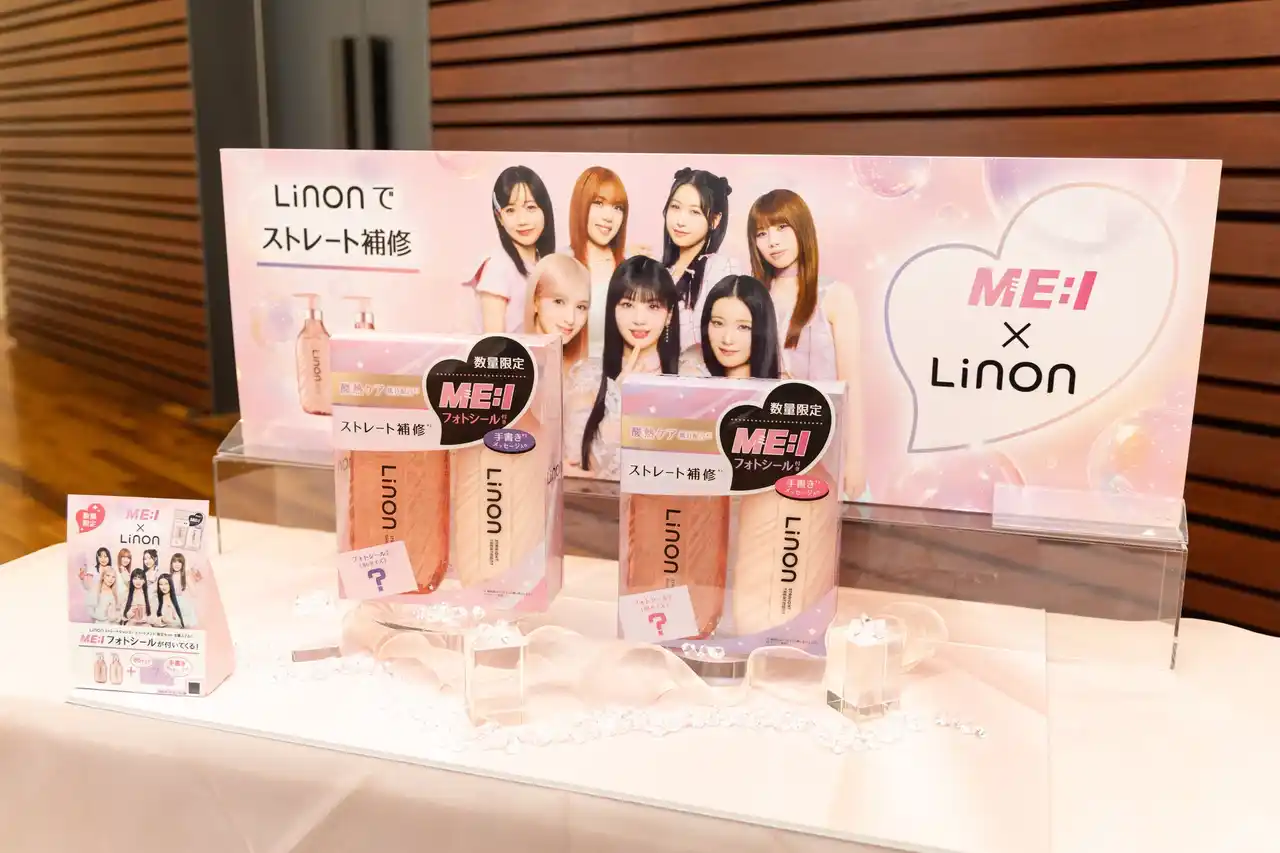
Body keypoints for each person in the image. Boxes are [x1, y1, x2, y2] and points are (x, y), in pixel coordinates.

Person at [747, 189, 866, 496]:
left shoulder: (835, 295)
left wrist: (855, 459)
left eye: (782, 227)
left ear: (802, 227)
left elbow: (851, 384)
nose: (773, 241)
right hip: (764, 442)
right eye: (762, 233)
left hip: (821, 439)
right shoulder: (752, 296)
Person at [568, 256, 681, 478]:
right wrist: (617, 399)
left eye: (653, 306)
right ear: (613, 309)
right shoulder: (587, 378)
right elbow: (583, 469)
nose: (639, 319)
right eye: (627, 305)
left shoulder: (688, 379)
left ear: (669, 315)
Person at [470, 165, 556, 333]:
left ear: (544, 210)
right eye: (510, 210)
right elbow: (494, 342)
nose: (522, 220)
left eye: (530, 207)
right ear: (500, 218)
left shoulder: (542, 262)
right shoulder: (498, 267)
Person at [661, 168, 736, 349]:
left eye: (694, 212)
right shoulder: (660, 270)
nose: (680, 221)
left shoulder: (720, 268)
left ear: (715, 220)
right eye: (675, 207)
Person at [567, 166, 630, 359]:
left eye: (617, 208)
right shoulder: (560, 264)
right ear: (581, 205)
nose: (608, 217)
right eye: (598, 203)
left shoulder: (630, 270)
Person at [691, 274, 782, 379]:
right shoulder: (692, 379)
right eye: (718, 323)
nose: (727, 340)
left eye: (743, 327)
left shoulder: (781, 387)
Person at [524, 253, 592, 375]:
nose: (571, 319)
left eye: (581, 307)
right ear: (535, 300)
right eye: (559, 302)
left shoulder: (584, 373)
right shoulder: (511, 363)